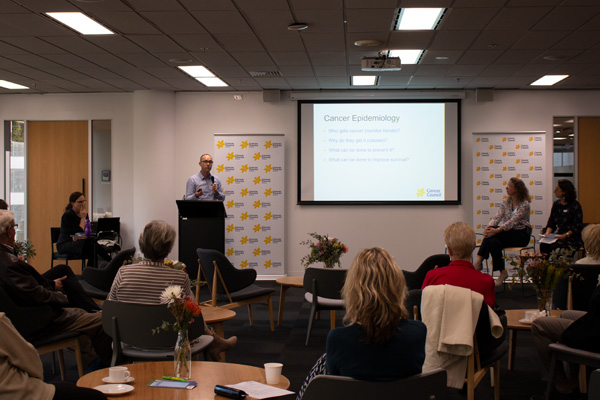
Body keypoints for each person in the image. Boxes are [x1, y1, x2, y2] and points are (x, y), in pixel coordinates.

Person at [296, 248, 426, 399]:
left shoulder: (339, 339)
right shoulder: (417, 333)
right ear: (398, 286)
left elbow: (333, 388)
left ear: (354, 290)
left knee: (322, 364)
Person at [107, 220, 236, 361]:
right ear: (169, 248)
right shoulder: (179, 277)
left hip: (130, 343)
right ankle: (214, 341)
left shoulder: (123, 273)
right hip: (170, 345)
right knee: (192, 308)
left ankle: (215, 342)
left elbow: (111, 308)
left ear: (141, 244)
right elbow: (194, 316)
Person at [0, 210, 111, 366]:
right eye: (14, 226)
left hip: (21, 318)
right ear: (9, 231)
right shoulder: (10, 264)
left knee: (81, 314)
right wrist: (59, 297)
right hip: (38, 321)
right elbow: (35, 294)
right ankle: (107, 366)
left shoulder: (7, 259)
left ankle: (93, 362)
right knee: (101, 320)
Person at [0, 312, 107, 400]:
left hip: (43, 316)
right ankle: (102, 368)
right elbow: (29, 359)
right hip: (22, 393)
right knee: (96, 396)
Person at [530, 281, 600, 400]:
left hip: (595, 335)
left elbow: (596, 305)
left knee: (538, 325)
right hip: (595, 324)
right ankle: (572, 383)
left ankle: (562, 387)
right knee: (566, 314)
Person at [422, 222, 496, 308]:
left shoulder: (432, 276)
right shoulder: (487, 281)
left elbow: (424, 307)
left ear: (449, 250)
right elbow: (489, 311)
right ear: (473, 248)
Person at [474, 177, 532, 286]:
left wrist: (497, 230)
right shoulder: (506, 202)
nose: (506, 188)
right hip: (506, 233)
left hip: (521, 235)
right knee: (493, 241)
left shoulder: (525, 204)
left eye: (509, 186)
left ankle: (479, 260)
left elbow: (513, 221)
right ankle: (502, 272)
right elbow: (497, 217)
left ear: (517, 189)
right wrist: (488, 228)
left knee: (493, 235)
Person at [57, 192, 111, 266]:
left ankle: (91, 271)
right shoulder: (68, 215)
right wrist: (83, 218)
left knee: (93, 247)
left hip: (78, 242)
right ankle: (111, 261)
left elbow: (87, 231)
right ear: (72, 203)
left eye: (84, 201)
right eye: (80, 202)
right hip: (65, 244)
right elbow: (79, 232)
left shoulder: (84, 214)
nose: (83, 204)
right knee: (91, 245)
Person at [540, 179, 583, 256]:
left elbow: (577, 226)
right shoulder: (556, 204)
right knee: (544, 245)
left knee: (558, 247)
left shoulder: (575, 205)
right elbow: (551, 222)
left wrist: (566, 235)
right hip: (559, 235)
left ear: (564, 192)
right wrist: (547, 233)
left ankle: (559, 263)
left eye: (557, 189)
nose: (554, 191)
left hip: (571, 236)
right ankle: (546, 263)